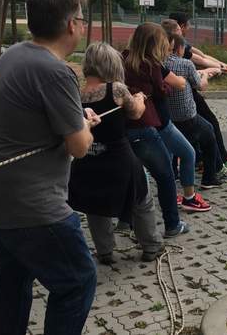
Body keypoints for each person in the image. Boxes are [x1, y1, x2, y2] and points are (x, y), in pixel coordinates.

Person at [0, 0, 98, 335]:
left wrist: (74, 119)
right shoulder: (56, 72)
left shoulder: (14, 54)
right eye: (83, 20)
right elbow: (79, 147)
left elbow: (36, 119)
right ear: (71, 24)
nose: (84, 26)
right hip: (32, 207)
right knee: (78, 281)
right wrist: (85, 126)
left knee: (13, 278)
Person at [67, 42, 164, 266]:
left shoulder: (78, 95)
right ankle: (151, 246)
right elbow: (136, 113)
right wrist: (139, 98)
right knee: (141, 198)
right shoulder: (117, 89)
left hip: (88, 160)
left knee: (96, 206)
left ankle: (105, 251)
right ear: (111, 64)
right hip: (119, 159)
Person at [124, 23, 211, 214]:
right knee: (183, 158)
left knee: (145, 168)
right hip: (159, 122)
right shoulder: (152, 64)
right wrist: (171, 85)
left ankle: (128, 217)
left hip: (137, 124)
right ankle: (185, 202)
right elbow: (165, 89)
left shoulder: (126, 59)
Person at [165, 14, 227, 175]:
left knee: (183, 131)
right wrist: (217, 69)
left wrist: (223, 65)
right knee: (208, 126)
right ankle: (218, 165)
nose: (185, 30)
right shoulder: (178, 50)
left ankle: (197, 161)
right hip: (186, 97)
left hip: (179, 99)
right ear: (178, 29)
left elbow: (202, 55)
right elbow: (200, 65)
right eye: (182, 28)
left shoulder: (177, 47)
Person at [164, 34, 227, 189]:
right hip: (187, 115)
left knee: (173, 145)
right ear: (180, 48)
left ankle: (173, 175)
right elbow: (201, 86)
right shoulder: (186, 64)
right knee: (209, 134)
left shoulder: (160, 64)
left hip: (168, 117)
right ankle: (209, 177)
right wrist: (206, 74)